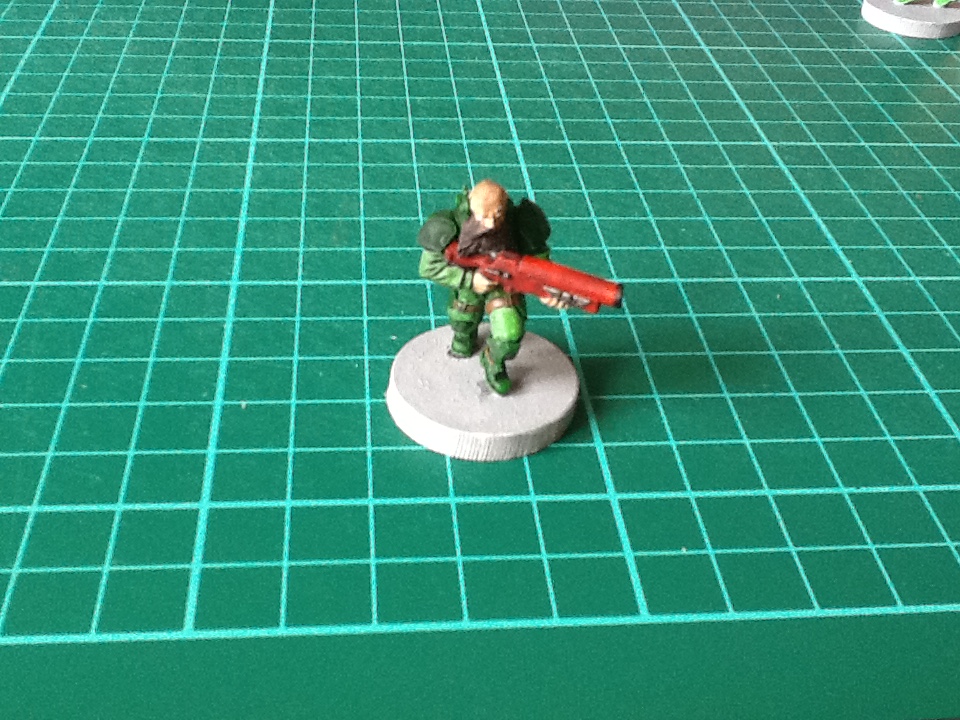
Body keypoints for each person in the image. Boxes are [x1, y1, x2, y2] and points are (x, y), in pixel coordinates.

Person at [417, 179, 567, 395]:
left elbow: (541, 265)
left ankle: (493, 363)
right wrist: (469, 280)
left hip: (505, 285)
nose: (490, 224)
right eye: (483, 216)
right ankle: (463, 341)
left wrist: (548, 290)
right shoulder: (449, 226)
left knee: (509, 334)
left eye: (497, 215)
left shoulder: (521, 224)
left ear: (505, 204)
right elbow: (429, 267)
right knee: (462, 320)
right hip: (469, 282)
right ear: (470, 204)